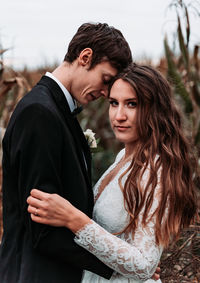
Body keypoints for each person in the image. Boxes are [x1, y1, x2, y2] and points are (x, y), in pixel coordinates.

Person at [27, 63, 197, 282]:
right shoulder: (123, 158)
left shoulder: (157, 170)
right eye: (114, 103)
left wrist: (74, 219)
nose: (119, 116)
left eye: (132, 104)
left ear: (156, 110)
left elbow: (144, 265)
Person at [0, 22, 133, 283]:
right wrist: (120, 266)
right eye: (106, 80)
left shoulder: (57, 111)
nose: (106, 93)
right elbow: (42, 229)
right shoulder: (39, 113)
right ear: (85, 57)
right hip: (33, 273)